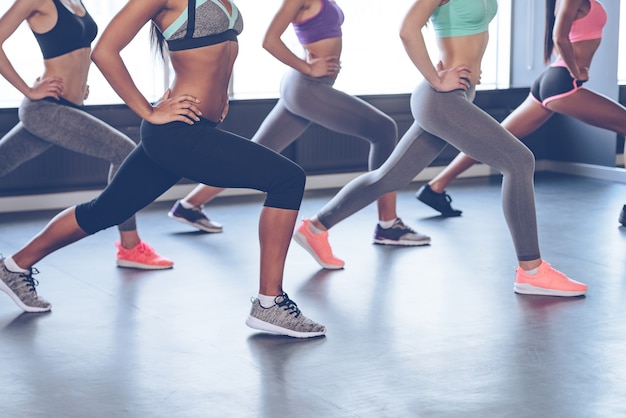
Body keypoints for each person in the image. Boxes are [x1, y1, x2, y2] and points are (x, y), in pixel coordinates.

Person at [0, 0, 326, 338]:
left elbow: (217, 56)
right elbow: (106, 51)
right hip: (177, 133)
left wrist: (220, 98)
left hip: (193, 128)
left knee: (105, 210)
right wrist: (148, 110)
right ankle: (269, 304)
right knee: (287, 179)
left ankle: (14, 265)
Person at [293, 0, 588, 297]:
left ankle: (315, 227)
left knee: (389, 177)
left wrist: (470, 71)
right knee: (519, 161)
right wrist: (437, 78)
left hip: (456, 95)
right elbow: (408, 30)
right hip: (440, 98)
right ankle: (532, 271)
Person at [166, 0, 431, 269]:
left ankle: (189, 205)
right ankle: (388, 224)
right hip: (307, 87)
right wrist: (309, 68)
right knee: (384, 129)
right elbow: (269, 40)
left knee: (257, 151)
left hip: (308, 89)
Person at [0, 0, 172, 269]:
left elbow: (76, 53)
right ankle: (130, 246)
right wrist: (28, 90)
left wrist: (79, 85)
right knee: (123, 150)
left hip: (66, 106)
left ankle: (130, 247)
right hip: (45, 109)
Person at [416, 0, 626, 218]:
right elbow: (559, 38)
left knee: (496, 138)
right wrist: (576, 71)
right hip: (563, 84)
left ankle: (436, 187)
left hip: (552, 83)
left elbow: (565, 39)